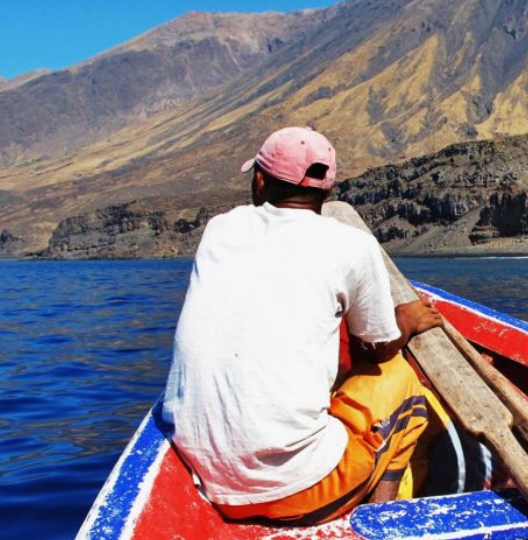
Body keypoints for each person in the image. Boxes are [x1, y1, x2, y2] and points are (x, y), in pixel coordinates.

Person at [160, 126, 444, 524]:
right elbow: (376, 348)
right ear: (326, 192)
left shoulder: (220, 229)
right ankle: (381, 520)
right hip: (299, 492)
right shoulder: (353, 246)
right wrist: (408, 321)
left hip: (206, 474)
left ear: (260, 181)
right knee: (403, 385)